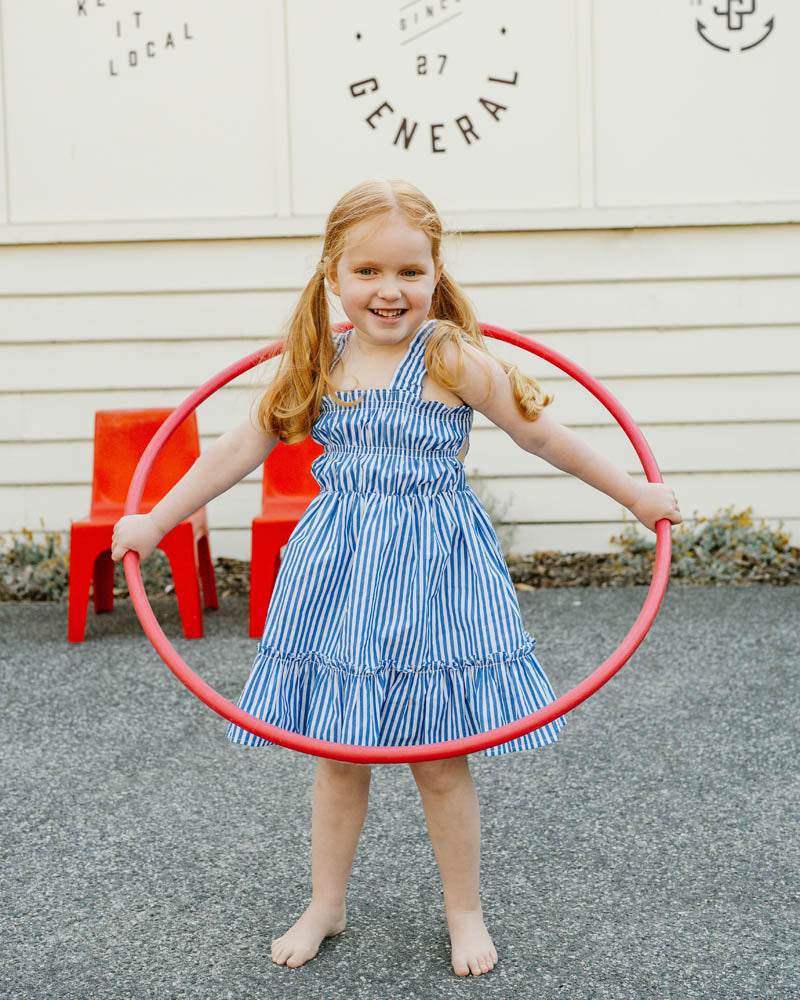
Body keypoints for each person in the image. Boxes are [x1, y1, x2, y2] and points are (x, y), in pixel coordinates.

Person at [111, 177, 682, 977]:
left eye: (410, 272)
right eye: (368, 271)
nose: (389, 290)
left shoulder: (449, 356)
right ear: (333, 277)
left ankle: (464, 911)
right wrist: (156, 520)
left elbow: (544, 437)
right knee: (338, 753)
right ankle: (326, 903)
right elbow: (237, 450)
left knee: (439, 758)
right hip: (339, 576)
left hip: (435, 579)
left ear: (436, 275)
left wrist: (635, 495)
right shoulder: (315, 361)